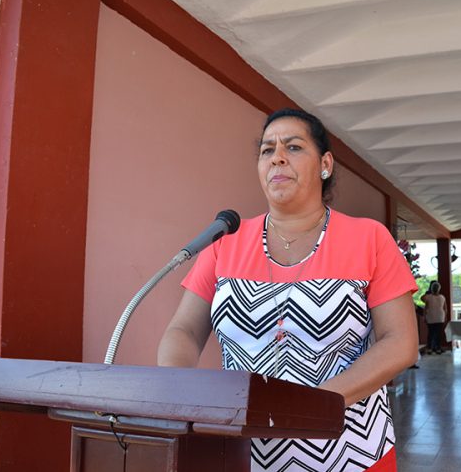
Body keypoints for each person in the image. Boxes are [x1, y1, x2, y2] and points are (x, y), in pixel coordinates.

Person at [157, 108, 418, 471]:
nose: (277, 156)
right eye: (267, 150)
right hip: (239, 451)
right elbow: (183, 329)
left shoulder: (368, 238)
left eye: (293, 147)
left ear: (325, 164)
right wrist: (179, 392)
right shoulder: (225, 242)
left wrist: (312, 404)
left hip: (347, 450)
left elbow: (400, 342)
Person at [421, 281, 446, 354]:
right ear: (439, 289)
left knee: (431, 333)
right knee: (438, 333)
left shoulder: (428, 297)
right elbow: (445, 308)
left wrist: (424, 317)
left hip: (431, 317)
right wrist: (445, 317)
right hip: (440, 317)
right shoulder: (442, 297)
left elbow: (425, 308)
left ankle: (430, 348)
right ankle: (438, 348)